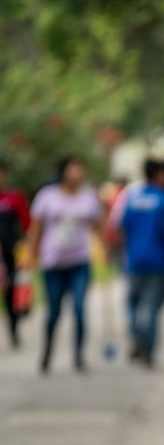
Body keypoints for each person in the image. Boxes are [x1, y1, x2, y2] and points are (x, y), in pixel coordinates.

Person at [27, 155, 104, 373]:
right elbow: (37, 228)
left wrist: (104, 248)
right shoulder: (47, 196)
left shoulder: (89, 197)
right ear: (63, 172)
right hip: (53, 262)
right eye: (73, 169)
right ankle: (48, 349)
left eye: (81, 169)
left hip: (79, 261)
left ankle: (79, 355)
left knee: (80, 309)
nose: (78, 174)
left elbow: (97, 225)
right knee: (54, 312)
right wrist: (30, 255)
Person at [119, 159, 164, 367]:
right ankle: (148, 347)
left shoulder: (132, 198)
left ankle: (137, 336)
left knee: (133, 303)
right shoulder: (163, 200)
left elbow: (123, 226)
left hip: (133, 259)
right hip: (156, 260)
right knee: (152, 306)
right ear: (158, 175)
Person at [0, 162, 31, 348]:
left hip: (11, 253)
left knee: (13, 291)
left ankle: (13, 329)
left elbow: (27, 225)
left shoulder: (15, 198)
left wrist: (29, 252)